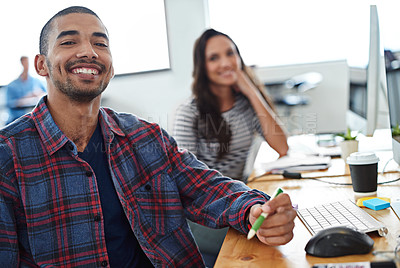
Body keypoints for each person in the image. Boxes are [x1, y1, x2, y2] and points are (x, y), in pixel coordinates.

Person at [0, 6, 296, 267]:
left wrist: (254, 208)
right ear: (41, 65)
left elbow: (206, 187)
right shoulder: (8, 155)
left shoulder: (146, 137)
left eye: (100, 43)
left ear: (111, 66)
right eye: (69, 41)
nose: (89, 51)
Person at [173, 29, 289, 182]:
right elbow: (185, 177)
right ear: (202, 67)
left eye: (230, 53)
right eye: (214, 58)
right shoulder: (189, 112)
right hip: (208, 199)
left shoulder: (245, 102)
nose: (226, 63)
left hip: (242, 195)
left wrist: (252, 92)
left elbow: (282, 147)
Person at [5, 56, 46, 124]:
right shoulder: (12, 85)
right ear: (21, 63)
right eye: (25, 62)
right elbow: (9, 103)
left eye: (28, 63)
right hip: (17, 120)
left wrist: (39, 94)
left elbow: (46, 95)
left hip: (36, 120)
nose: (27, 65)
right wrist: (26, 98)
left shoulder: (36, 82)